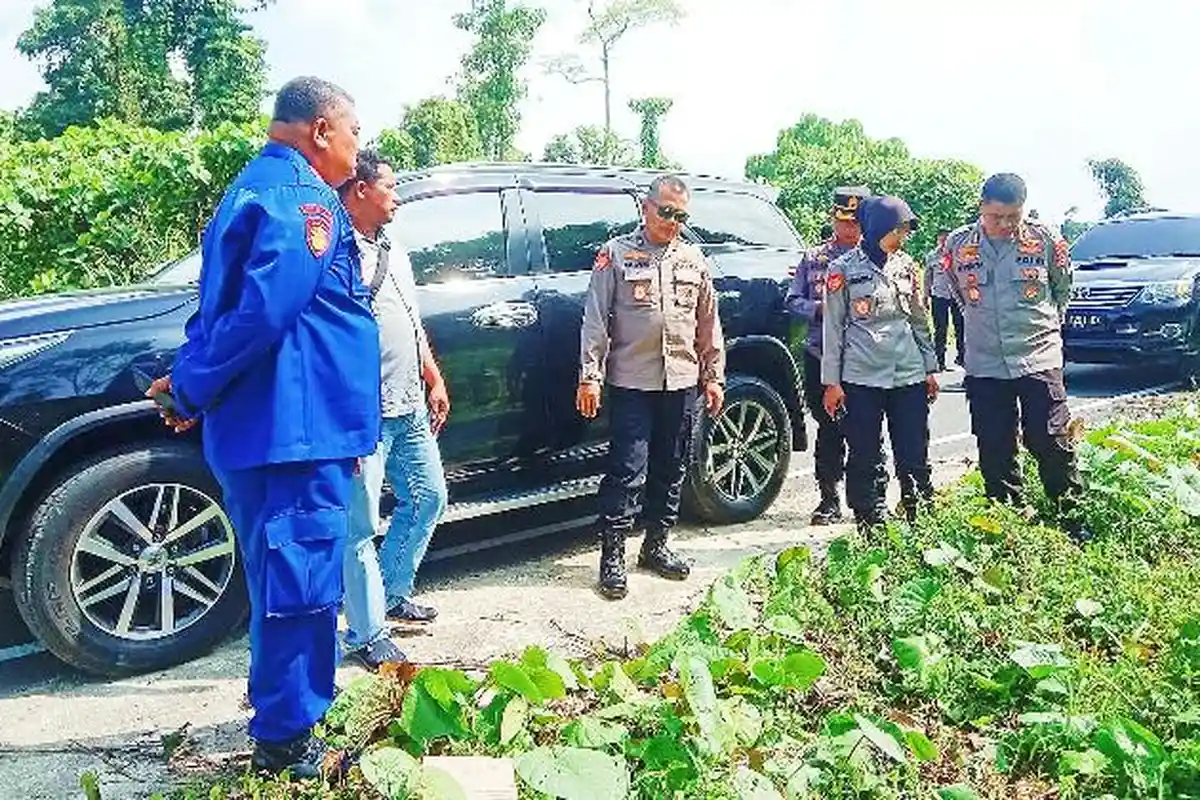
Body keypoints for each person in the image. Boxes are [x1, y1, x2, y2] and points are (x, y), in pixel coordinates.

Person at [145, 76, 380, 777]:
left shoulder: (251, 187)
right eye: (355, 132)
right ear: (320, 130)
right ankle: (287, 743)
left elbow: (217, 310)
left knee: (284, 581)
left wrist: (190, 377)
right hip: (294, 434)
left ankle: (284, 712)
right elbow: (264, 312)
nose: (357, 148)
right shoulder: (303, 198)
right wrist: (190, 383)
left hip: (280, 429)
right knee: (302, 588)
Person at [578, 174, 726, 600]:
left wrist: (713, 375)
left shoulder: (694, 260)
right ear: (646, 208)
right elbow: (595, 319)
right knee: (628, 469)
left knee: (672, 465)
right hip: (632, 380)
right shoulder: (616, 254)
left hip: (681, 380)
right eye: (666, 212)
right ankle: (613, 554)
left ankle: (657, 544)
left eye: (681, 215)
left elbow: (708, 325)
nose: (673, 221)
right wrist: (590, 375)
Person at [337, 148, 451, 671]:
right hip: (365, 412)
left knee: (429, 497)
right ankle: (366, 633)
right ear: (360, 189)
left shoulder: (392, 248)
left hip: (409, 402)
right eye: (389, 186)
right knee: (360, 527)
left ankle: (393, 590)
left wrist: (431, 372)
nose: (397, 197)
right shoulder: (336, 254)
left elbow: (410, 317)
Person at [941, 173, 1088, 541]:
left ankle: (1070, 516)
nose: (1005, 225)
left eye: (1013, 217)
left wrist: (1046, 333)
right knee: (994, 444)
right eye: (996, 217)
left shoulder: (1046, 240)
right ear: (981, 208)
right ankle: (1008, 525)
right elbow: (960, 299)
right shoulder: (958, 246)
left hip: (1038, 357)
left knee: (1051, 439)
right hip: (985, 362)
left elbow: (1061, 291)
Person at [822, 196, 940, 530]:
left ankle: (920, 515)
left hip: (908, 373)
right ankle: (871, 521)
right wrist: (832, 382)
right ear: (878, 229)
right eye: (899, 229)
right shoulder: (842, 270)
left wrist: (929, 368)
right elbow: (833, 328)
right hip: (862, 376)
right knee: (865, 454)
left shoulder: (906, 266)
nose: (903, 237)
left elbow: (919, 320)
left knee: (914, 449)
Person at [785, 186, 872, 525]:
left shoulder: (877, 258)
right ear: (833, 218)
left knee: (865, 430)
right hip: (820, 354)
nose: (849, 229)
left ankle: (867, 500)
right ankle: (828, 498)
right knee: (829, 429)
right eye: (842, 221)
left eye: (855, 223)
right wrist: (821, 309)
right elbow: (792, 302)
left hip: (864, 357)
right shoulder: (814, 259)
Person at [924, 228, 965, 371]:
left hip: (956, 295)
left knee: (960, 327)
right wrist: (925, 295)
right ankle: (940, 361)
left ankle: (962, 358)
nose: (943, 243)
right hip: (939, 295)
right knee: (940, 328)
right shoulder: (932, 256)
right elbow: (927, 276)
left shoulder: (958, 254)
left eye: (945, 240)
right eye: (940, 240)